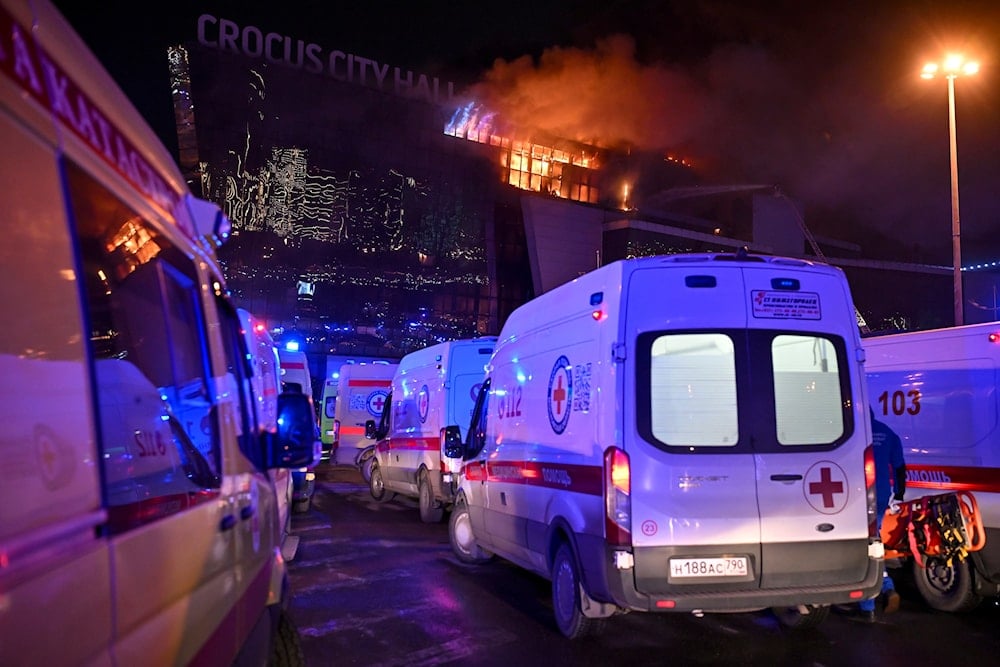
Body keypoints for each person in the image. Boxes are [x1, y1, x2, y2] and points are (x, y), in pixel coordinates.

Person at [855, 405, 907, 622]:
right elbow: (900, 467)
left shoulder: (854, 434)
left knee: (863, 546)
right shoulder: (887, 432)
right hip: (882, 494)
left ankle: (869, 604)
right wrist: (899, 494)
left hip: (859, 494)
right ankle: (885, 588)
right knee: (874, 541)